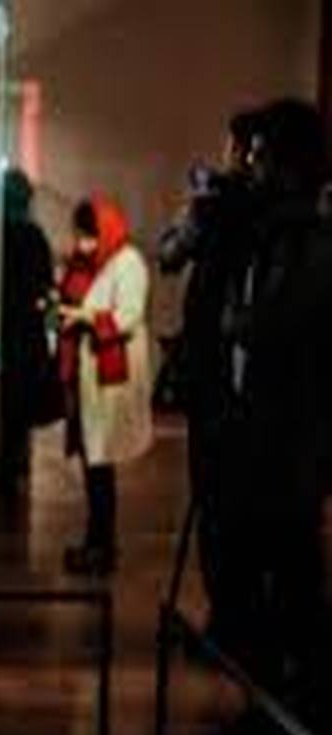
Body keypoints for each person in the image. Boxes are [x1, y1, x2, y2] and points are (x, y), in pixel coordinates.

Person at [225, 98, 332, 705]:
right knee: (274, 565)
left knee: (292, 570)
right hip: (269, 428)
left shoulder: (308, 242)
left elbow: (276, 324)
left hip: (291, 434)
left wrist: (239, 321)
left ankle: (300, 696)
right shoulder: (274, 235)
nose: (252, 168)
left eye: (262, 157)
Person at [158, 109, 262, 642]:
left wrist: (200, 208)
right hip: (233, 374)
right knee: (232, 507)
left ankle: (232, 624)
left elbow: (170, 253)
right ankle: (237, 620)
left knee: (222, 506)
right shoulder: (250, 206)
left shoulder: (229, 206)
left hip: (225, 376)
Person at [58, 196, 153, 575]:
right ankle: (95, 542)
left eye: (88, 235)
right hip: (89, 375)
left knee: (101, 463)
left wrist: (83, 317)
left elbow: (128, 314)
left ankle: (102, 546)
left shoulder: (128, 263)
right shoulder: (91, 263)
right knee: (93, 463)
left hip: (109, 376)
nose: (83, 243)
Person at [0, 169, 55, 501]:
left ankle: (6, 474)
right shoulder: (33, 235)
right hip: (26, 334)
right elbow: (44, 284)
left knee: (6, 412)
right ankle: (15, 471)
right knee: (18, 415)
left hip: (3, 332)